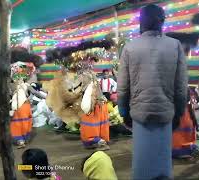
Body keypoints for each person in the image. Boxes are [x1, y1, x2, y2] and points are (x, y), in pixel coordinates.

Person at [117, 4, 187, 179]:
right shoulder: (175, 46)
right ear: (161, 21)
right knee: (162, 161)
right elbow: (180, 87)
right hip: (165, 115)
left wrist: (124, 112)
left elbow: (123, 87)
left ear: (141, 22)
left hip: (140, 116)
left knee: (142, 163)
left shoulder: (130, 47)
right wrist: (178, 113)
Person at [80, 80, 110, 150]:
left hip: (93, 108)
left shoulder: (90, 86)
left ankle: (99, 142)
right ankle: (99, 142)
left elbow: (86, 107)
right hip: (96, 107)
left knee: (90, 128)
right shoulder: (93, 85)